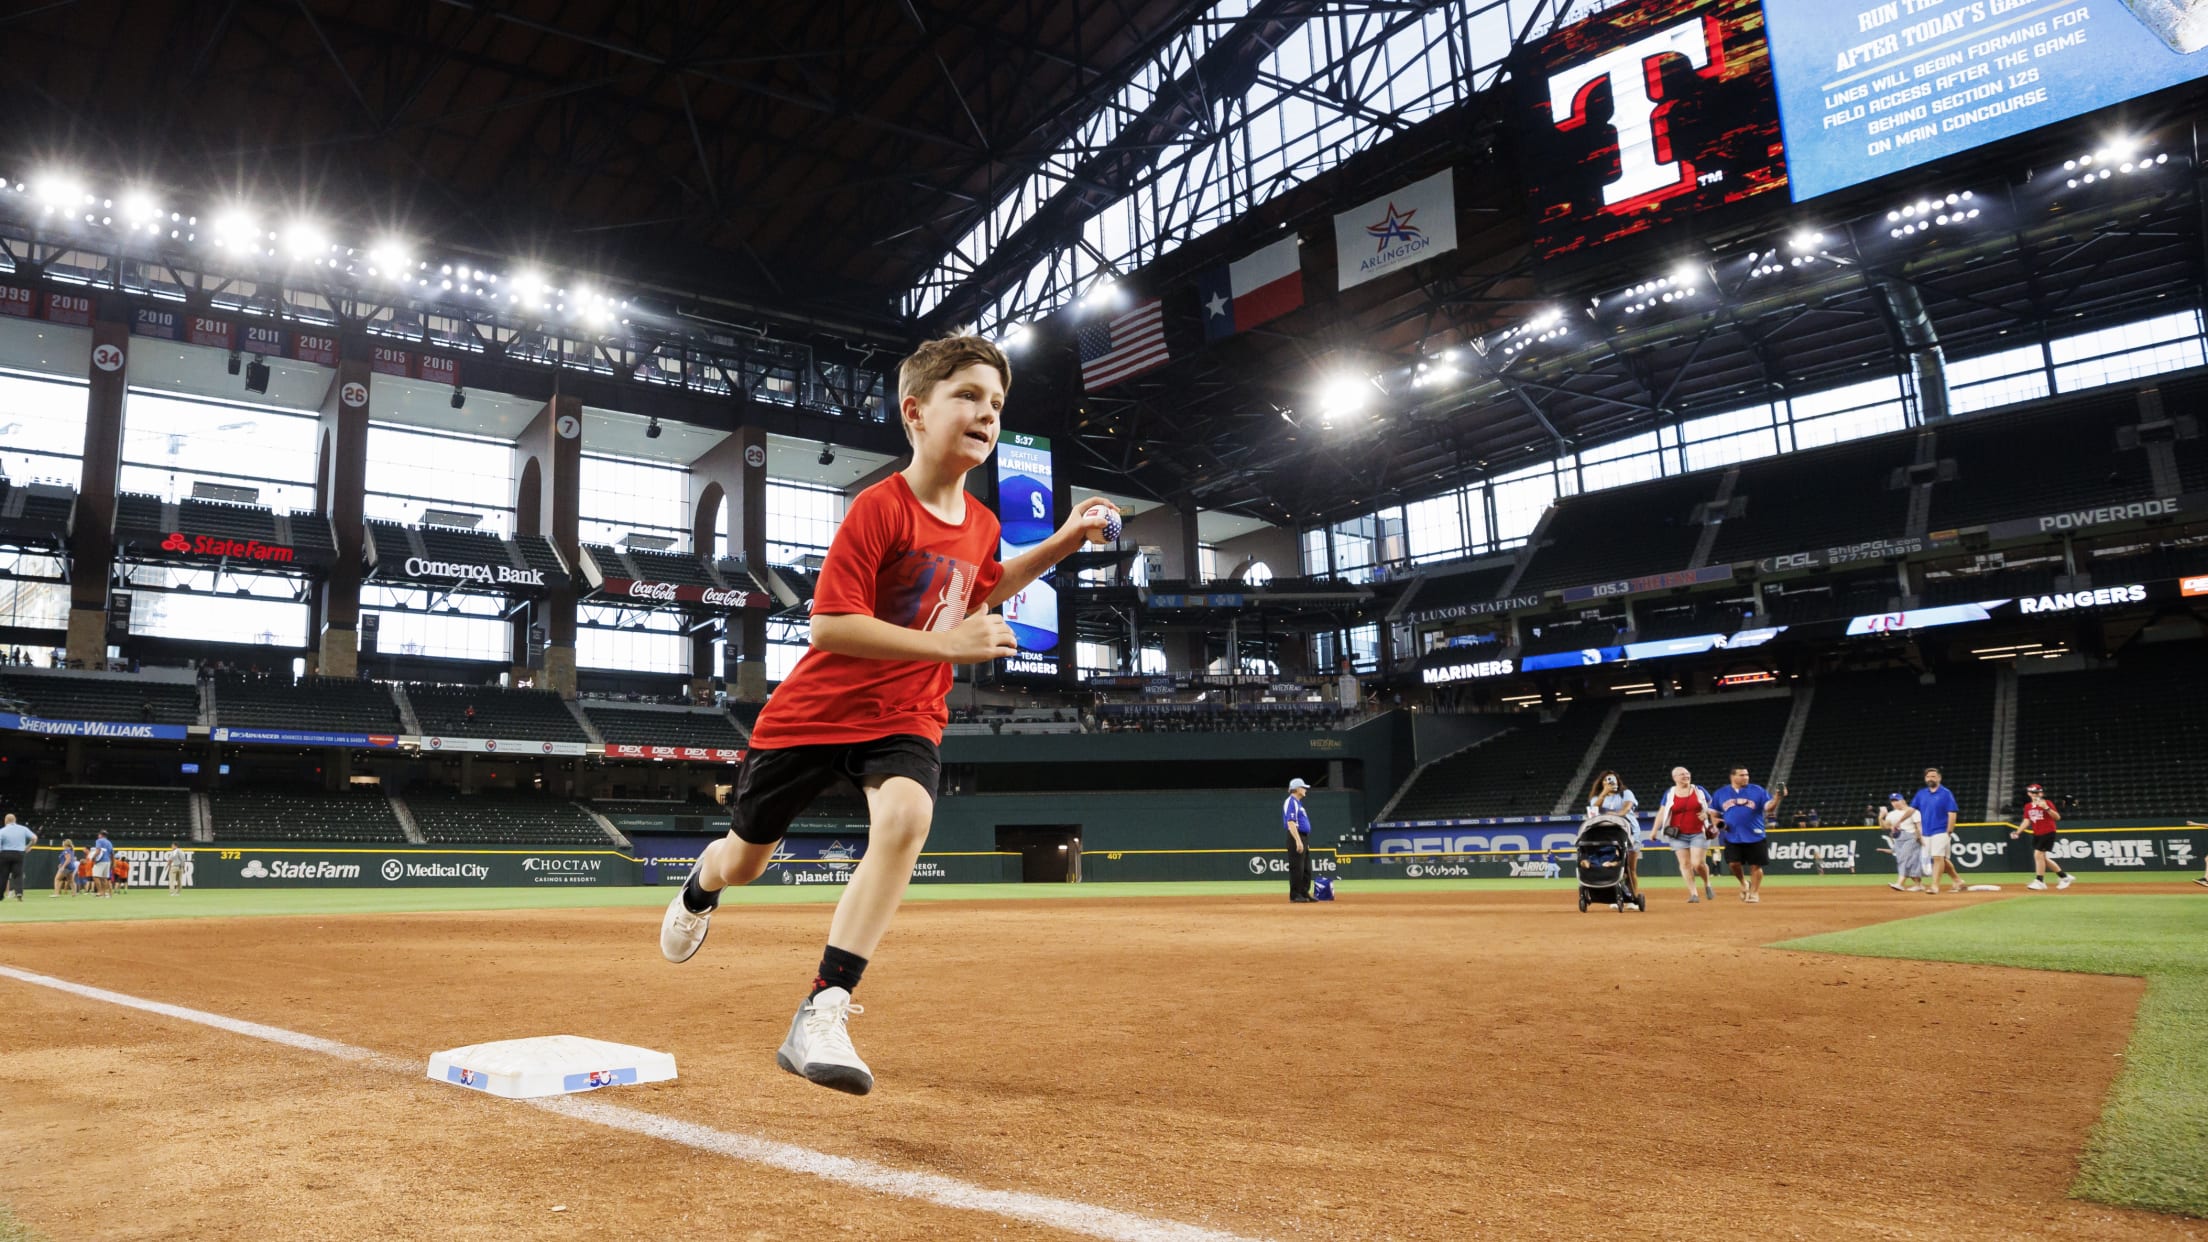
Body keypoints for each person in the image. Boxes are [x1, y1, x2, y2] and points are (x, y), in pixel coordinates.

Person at [657, 334, 1119, 1096]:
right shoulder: (880, 508)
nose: (986, 412)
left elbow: (988, 585)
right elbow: (830, 626)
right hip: (816, 714)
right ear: (915, 411)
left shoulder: (979, 523)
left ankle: (824, 1005)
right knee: (746, 860)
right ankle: (700, 888)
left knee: (907, 818)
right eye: (967, 396)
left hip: (906, 712)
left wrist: (1065, 540)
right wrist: (947, 644)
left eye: (996, 403)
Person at [1715, 767, 1783, 904]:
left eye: (1747, 774)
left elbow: (1769, 808)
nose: (1746, 777)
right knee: (1733, 864)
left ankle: (1754, 893)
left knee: (1755, 866)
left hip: (1755, 835)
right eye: (1742, 775)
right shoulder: (1721, 793)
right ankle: (1744, 883)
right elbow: (1713, 812)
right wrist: (1717, 823)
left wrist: (1777, 797)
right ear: (1732, 777)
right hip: (1732, 835)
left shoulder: (1757, 790)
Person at [1651, 766, 1717, 903]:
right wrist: (1654, 830)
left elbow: (1714, 807)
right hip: (1677, 834)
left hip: (1699, 832)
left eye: (1687, 773)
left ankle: (1707, 883)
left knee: (1697, 863)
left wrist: (1706, 813)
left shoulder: (1699, 791)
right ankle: (1694, 893)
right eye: (1682, 774)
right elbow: (1662, 812)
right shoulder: (1670, 793)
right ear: (1674, 778)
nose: (1686, 776)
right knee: (1685, 864)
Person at [1585, 770, 1641, 897]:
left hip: (1630, 832)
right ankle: (1614, 895)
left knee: (1630, 869)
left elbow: (1626, 808)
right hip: (1607, 836)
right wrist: (1604, 793)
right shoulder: (1596, 797)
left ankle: (1633, 897)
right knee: (1611, 867)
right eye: (1606, 780)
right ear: (1601, 783)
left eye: (1612, 779)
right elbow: (1593, 811)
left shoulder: (1626, 793)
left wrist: (1614, 815)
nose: (1609, 782)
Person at [2011, 783, 2073, 891]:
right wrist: (2018, 832)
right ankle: (2064, 877)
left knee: (2038, 855)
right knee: (2042, 858)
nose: (2035, 794)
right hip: (2037, 833)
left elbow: (2057, 817)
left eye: (2037, 792)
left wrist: (2047, 808)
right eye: (2032, 792)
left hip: (2048, 832)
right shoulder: (2028, 806)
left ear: (2041, 793)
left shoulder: (2047, 803)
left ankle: (2039, 881)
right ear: (2029, 793)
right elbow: (2027, 821)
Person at [1912, 768, 1963, 895]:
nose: (1931, 778)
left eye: (1933, 776)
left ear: (1939, 778)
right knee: (1943, 859)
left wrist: (1949, 830)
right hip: (1927, 831)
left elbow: (1952, 812)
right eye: (1928, 776)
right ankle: (1957, 880)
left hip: (1941, 830)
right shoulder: (1921, 793)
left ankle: (1935, 886)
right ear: (1925, 779)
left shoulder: (1946, 793)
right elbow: (1912, 810)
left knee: (1937, 857)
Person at [1881, 793, 1926, 893]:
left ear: (1903, 800)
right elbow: (1885, 827)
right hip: (1899, 838)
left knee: (1904, 859)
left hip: (1912, 836)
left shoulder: (1913, 811)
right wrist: (1881, 817)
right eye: (1892, 801)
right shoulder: (1892, 814)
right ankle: (1918, 885)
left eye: (1897, 800)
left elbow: (1919, 826)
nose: (1895, 803)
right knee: (1911, 862)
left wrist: (1920, 837)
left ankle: (1900, 884)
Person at [1284, 777, 1315, 902]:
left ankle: (1304, 892)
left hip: (1303, 837)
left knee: (1306, 868)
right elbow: (1290, 822)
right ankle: (1295, 895)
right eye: (1303, 787)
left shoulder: (1298, 803)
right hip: (1295, 836)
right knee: (1297, 868)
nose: (1305, 789)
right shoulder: (1291, 801)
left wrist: (1304, 841)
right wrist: (1298, 840)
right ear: (1296, 789)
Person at [0, 813, 36, 902]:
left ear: (5, 820)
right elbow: (34, 838)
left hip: (5, 854)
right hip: (19, 854)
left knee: (3, 875)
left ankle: (0, 895)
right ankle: (19, 893)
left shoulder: (2, 830)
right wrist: (27, 847)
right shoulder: (23, 829)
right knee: (18, 875)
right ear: (15, 820)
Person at [89, 829, 115, 897]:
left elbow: (98, 850)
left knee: (95, 876)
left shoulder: (99, 841)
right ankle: (104, 893)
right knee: (104, 878)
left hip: (100, 861)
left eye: (99, 834)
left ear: (101, 835)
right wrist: (113, 863)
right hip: (108, 861)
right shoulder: (109, 842)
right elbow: (112, 854)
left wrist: (93, 857)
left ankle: (100, 892)